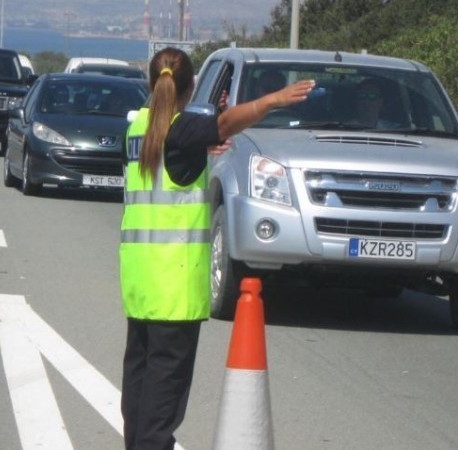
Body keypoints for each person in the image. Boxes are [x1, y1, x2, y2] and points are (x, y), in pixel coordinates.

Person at [119, 47, 314, 450]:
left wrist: (200, 145)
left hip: (140, 285)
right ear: (190, 87)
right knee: (160, 411)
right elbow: (223, 124)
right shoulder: (181, 131)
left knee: (138, 402)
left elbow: (176, 155)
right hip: (174, 290)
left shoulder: (138, 128)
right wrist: (270, 101)